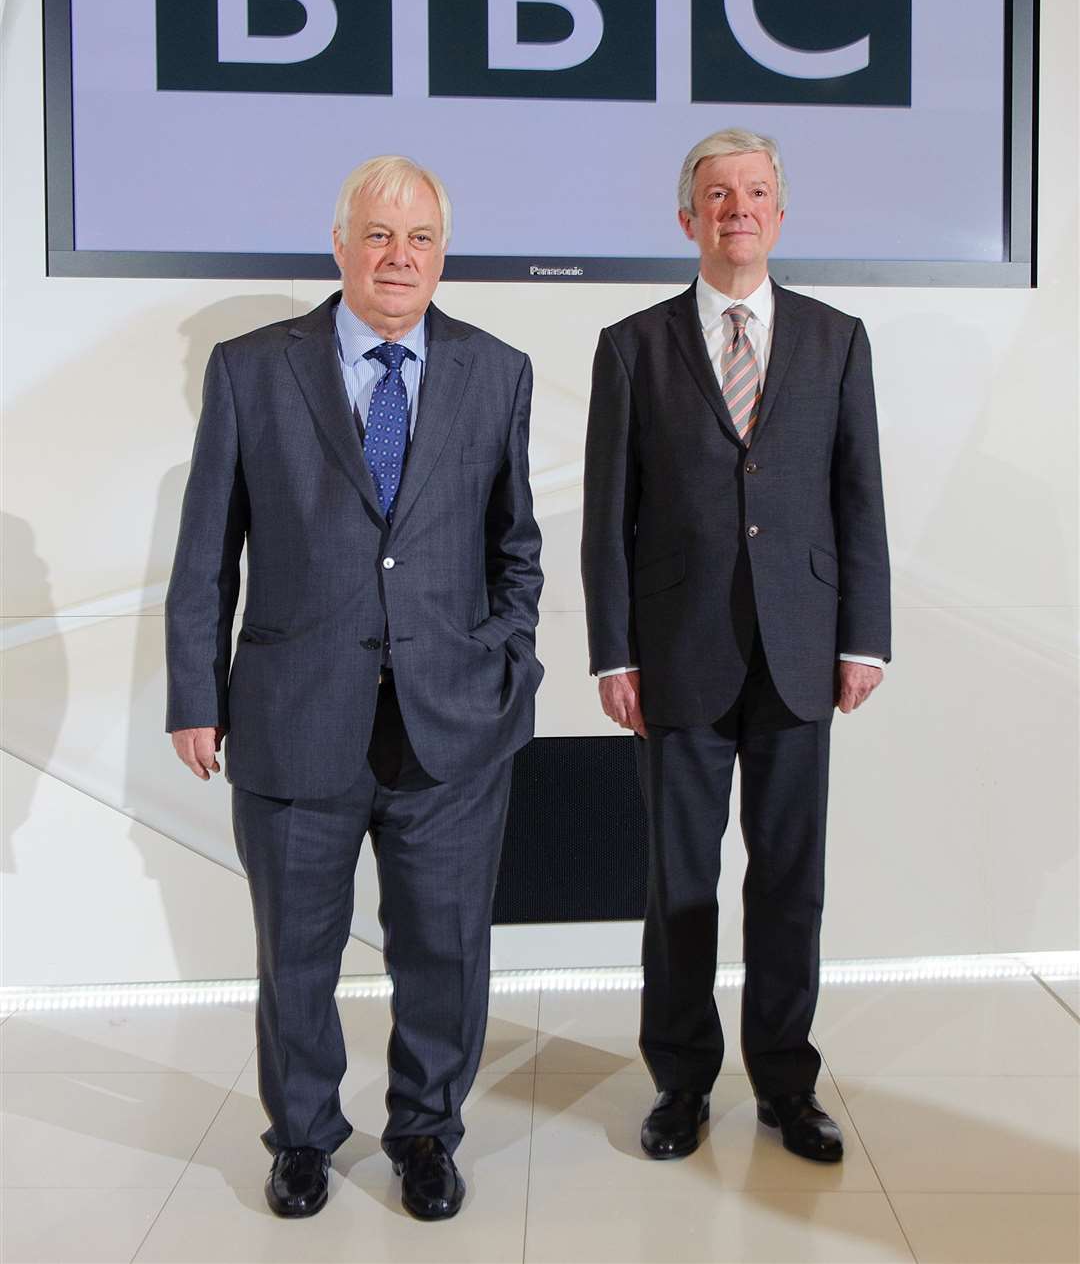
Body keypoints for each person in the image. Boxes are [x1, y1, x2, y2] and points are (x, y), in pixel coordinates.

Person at [165, 156, 543, 1222]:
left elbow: (518, 548)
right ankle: (302, 1138)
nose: (399, 257)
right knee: (295, 955)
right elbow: (208, 553)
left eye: (419, 238)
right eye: (379, 235)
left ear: (441, 254)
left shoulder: (496, 370)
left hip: (452, 729)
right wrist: (197, 692)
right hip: (295, 719)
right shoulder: (251, 370)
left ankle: (426, 1131)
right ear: (339, 245)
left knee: (445, 951)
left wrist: (508, 669)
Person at [581, 128, 890, 1166]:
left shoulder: (837, 338)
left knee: (790, 880)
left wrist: (867, 638)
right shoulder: (631, 346)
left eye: (755, 192)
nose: (736, 209)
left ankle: (786, 1083)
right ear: (688, 219)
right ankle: (679, 1081)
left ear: (780, 213)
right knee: (680, 880)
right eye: (716, 195)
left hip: (803, 651)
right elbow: (605, 516)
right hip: (676, 654)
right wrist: (612, 652)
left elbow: (860, 500)